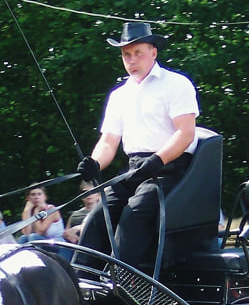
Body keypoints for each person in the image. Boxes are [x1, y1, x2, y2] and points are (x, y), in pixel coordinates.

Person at [76, 21, 199, 266]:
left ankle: (122, 284)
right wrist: (94, 163)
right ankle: (81, 281)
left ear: (153, 52)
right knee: (98, 217)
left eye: (137, 53)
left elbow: (185, 133)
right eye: (126, 54)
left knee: (133, 214)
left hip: (170, 170)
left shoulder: (176, 83)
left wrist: (158, 160)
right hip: (134, 170)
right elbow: (109, 141)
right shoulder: (119, 95)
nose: (131, 60)